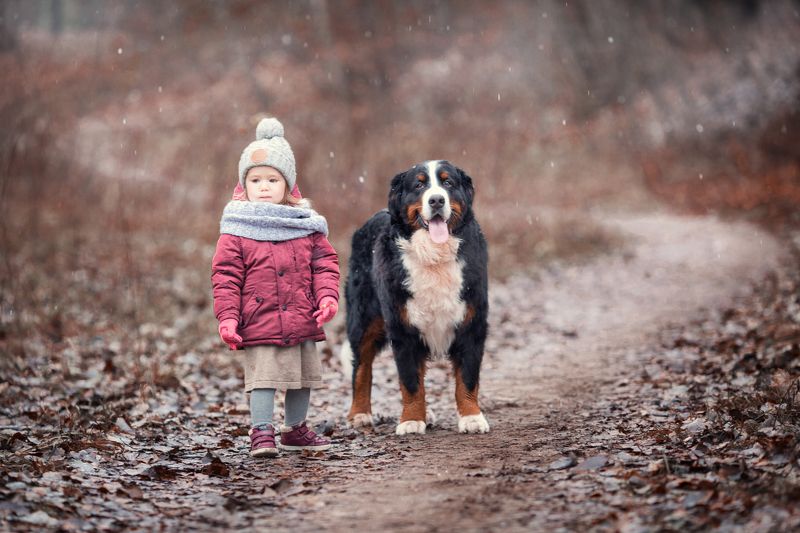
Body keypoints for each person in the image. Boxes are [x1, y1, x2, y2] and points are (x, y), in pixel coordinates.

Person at [211, 117, 339, 458]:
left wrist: (327, 296)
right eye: (255, 180)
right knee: (263, 378)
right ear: (244, 185)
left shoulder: (305, 225)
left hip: (301, 314)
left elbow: (324, 264)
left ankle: (294, 429)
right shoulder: (236, 230)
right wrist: (228, 318)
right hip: (259, 317)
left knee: (302, 377)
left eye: (272, 179)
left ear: (288, 185)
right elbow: (225, 277)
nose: (264, 186)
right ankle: (261, 430)